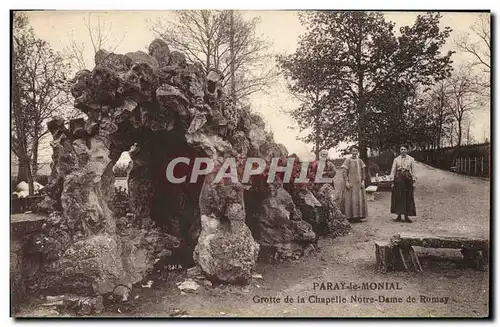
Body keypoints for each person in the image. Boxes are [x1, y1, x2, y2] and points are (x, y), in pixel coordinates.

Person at [390, 145, 417, 223]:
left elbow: (414, 170)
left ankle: (406, 216)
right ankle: (398, 215)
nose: (403, 151)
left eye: (404, 149)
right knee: (398, 196)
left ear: (407, 150)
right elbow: (393, 170)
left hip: (407, 178)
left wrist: (414, 181)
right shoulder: (396, 159)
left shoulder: (411, 159)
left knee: (408, 196)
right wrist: (392, 181)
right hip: (398, 178)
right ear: (400, 150)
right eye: (401, 149)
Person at [341, 147, 368, 220]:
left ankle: (358, 216)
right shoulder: (347, 160)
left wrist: (363, 181)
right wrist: (346, 182)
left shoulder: (360, 161)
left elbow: (363, 172)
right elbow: (344, 172)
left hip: (358, 183)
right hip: (351, 183)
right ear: (351, 152)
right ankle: (350, 216)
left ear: (358, 152)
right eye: (353, 151)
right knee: (350, 199)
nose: (354, 152)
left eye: (356, 151)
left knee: (359, 199)